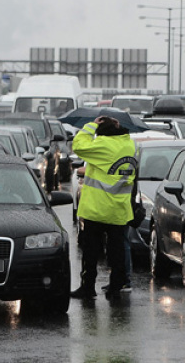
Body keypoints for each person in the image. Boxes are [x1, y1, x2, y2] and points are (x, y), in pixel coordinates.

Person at [70, 115, 137, 301]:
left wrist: (91, 125)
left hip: (97, 209)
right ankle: (115, 287)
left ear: (102, 132)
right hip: (119, 210)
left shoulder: (103, 145)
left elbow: (78, 145)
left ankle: (88, 288)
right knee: (117, 253)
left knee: (90, 254)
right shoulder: (130, 145)